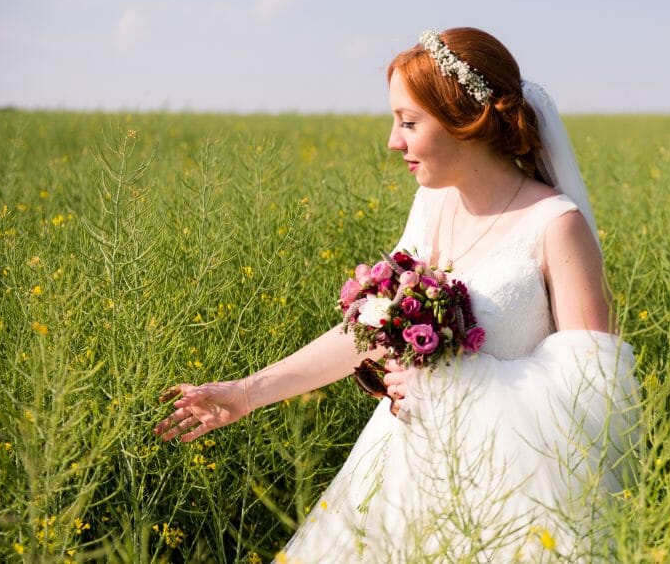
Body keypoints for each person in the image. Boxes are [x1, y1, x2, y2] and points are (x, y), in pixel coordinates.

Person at [154, 27, 640, 562]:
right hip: (400, 467)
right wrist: (246, 393)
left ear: (467, 120)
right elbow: (369, 330)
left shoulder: (555, 226)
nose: (393, 141)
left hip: (512, 494)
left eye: (409, 123)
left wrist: (460, 386)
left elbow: (595, 392)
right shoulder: (432, 206)